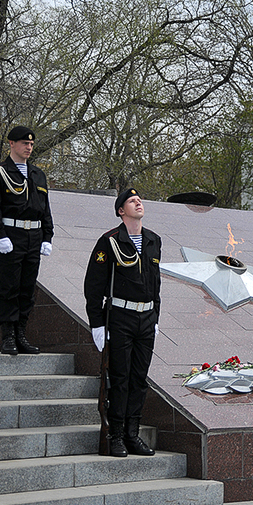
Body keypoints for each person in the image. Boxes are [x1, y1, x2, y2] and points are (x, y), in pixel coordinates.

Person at [84, 188, 159, 457]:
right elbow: (94, 285)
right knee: (120, 378)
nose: (138, 202)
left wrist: (156, 317)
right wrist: (97, 323)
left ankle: (132, 434)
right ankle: (115, 435)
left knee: (139, 379)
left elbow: (155, 282)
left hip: (146, 318)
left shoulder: (153, 240)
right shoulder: (110, 241)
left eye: (139, 199)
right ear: (120, 210)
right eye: (131, 201)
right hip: (120, 317)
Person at [0, 126, 54, 355]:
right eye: (24, 143)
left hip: (33, 236)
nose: (29, 147)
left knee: (27, 289)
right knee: (9, 288)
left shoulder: (38, 174)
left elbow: (45, 208)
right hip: (10, 236)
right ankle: (8, 335)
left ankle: (21, 333)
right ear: (11, 144)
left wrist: (47, 236)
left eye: (31, 144)